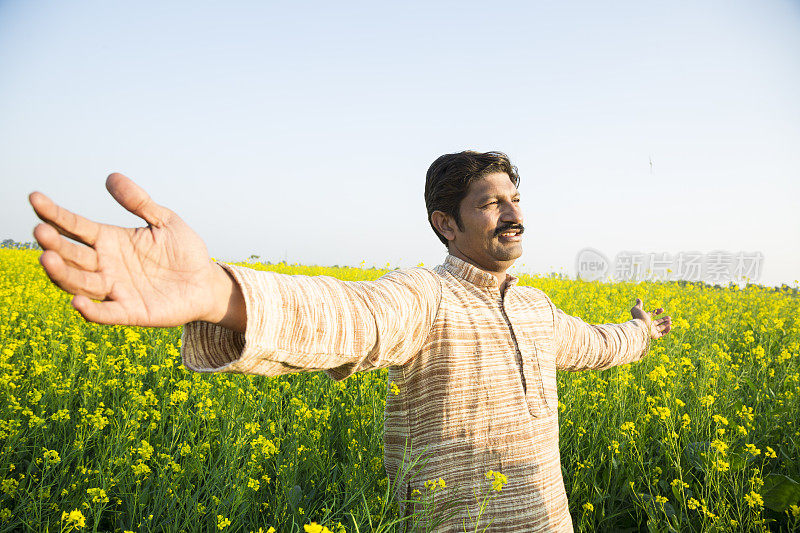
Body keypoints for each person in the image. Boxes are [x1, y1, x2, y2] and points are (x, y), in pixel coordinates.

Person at [29, 150, 672, 532]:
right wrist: (216, 293)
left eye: (515, 197)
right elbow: (351, 317)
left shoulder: (535, 308)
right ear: (445, 225)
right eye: (490, 202)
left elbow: (596, 344)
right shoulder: (426, 297)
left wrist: (642, 331)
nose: (514, 212)